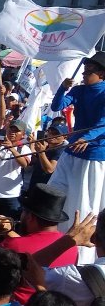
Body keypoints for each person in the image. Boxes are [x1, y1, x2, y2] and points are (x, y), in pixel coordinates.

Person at [49, 51, 105, 230]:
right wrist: (62, 88)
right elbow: (56, 106)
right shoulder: (79, 90)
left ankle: (79, 247)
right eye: (84, 71)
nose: (84, 74)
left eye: (89, 71)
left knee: (83, 202)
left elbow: (103, 124)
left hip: (94, 154)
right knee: (55, 191)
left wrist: (85, 138)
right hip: (72, 149)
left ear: (101, 74)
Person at [0, 183, 78, 304]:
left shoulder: (11, 245)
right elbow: (35, 245)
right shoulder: (71, 245)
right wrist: (10, 233)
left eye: (24, 212)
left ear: (30, 217)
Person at [0, 119, 32, 221]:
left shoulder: (24, 148)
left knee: (9, 227)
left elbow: (24, 164)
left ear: (23, 134)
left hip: (10, 196)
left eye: (16, 131)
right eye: (11, 130)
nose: (12, 133)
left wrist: (12, 148)